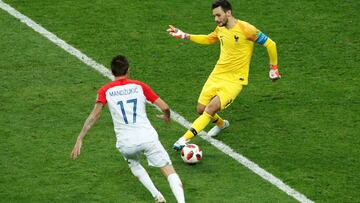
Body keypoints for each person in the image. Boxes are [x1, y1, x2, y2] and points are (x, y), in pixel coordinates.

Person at [167, 0, 281, 150]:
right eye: (214, 16)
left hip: (235, 81)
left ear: (228, 13)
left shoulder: (247, 29)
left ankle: (183, 140)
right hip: (217, 75)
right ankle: (221, 124)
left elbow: (270, 44)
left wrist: (273, 68)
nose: (216, 19)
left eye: (218, 15)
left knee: (209, 110)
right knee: (201, 109)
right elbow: (209, 39)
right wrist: (184, 35)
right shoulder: (220, 29)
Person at [70, 55, 185, 203]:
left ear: (112, 72)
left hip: (127, 142)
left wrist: (80, 138)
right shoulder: (140, 86)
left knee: (134, 164)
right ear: (128, 69)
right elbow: (165, 107)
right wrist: (167, 116)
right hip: (148, 137)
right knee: (168, 169)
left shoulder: (105, 90)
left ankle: (156, 195)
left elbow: (94, 116)